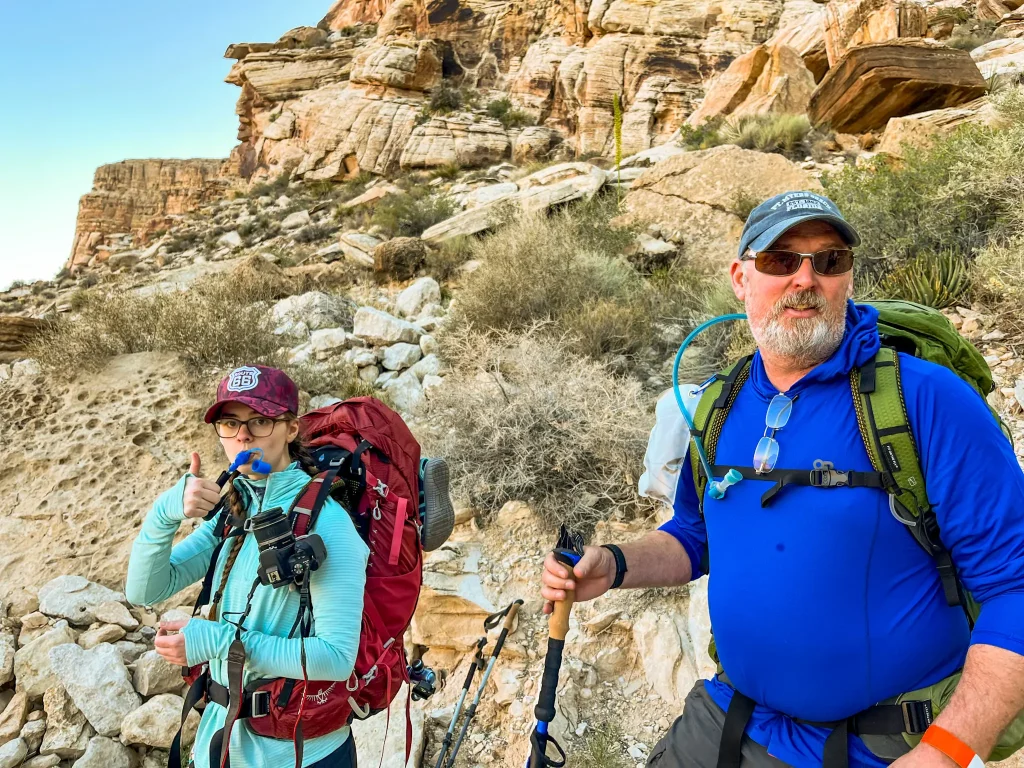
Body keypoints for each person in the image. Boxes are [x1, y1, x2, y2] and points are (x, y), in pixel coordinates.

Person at [540, 191, 1024, 768]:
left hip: (883, 744)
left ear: (847, 277)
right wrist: (614, 563)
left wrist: (947, 752)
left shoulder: (925, 401)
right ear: (740, 279)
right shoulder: (720, 404)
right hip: (729, 717)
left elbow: (1012, 587)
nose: (806, 279)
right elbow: (696, 536)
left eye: (829, 260)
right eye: (780, 260)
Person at [126, 365, 368, 768]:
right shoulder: (232, 514)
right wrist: (166, 512)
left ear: (291, 429)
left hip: (301, 753)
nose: (242, 435)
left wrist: (220, 642)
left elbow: (337, 658)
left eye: (259, 421)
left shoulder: (326, 522)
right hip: (221, 744)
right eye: (230, 422)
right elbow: (145, 590)